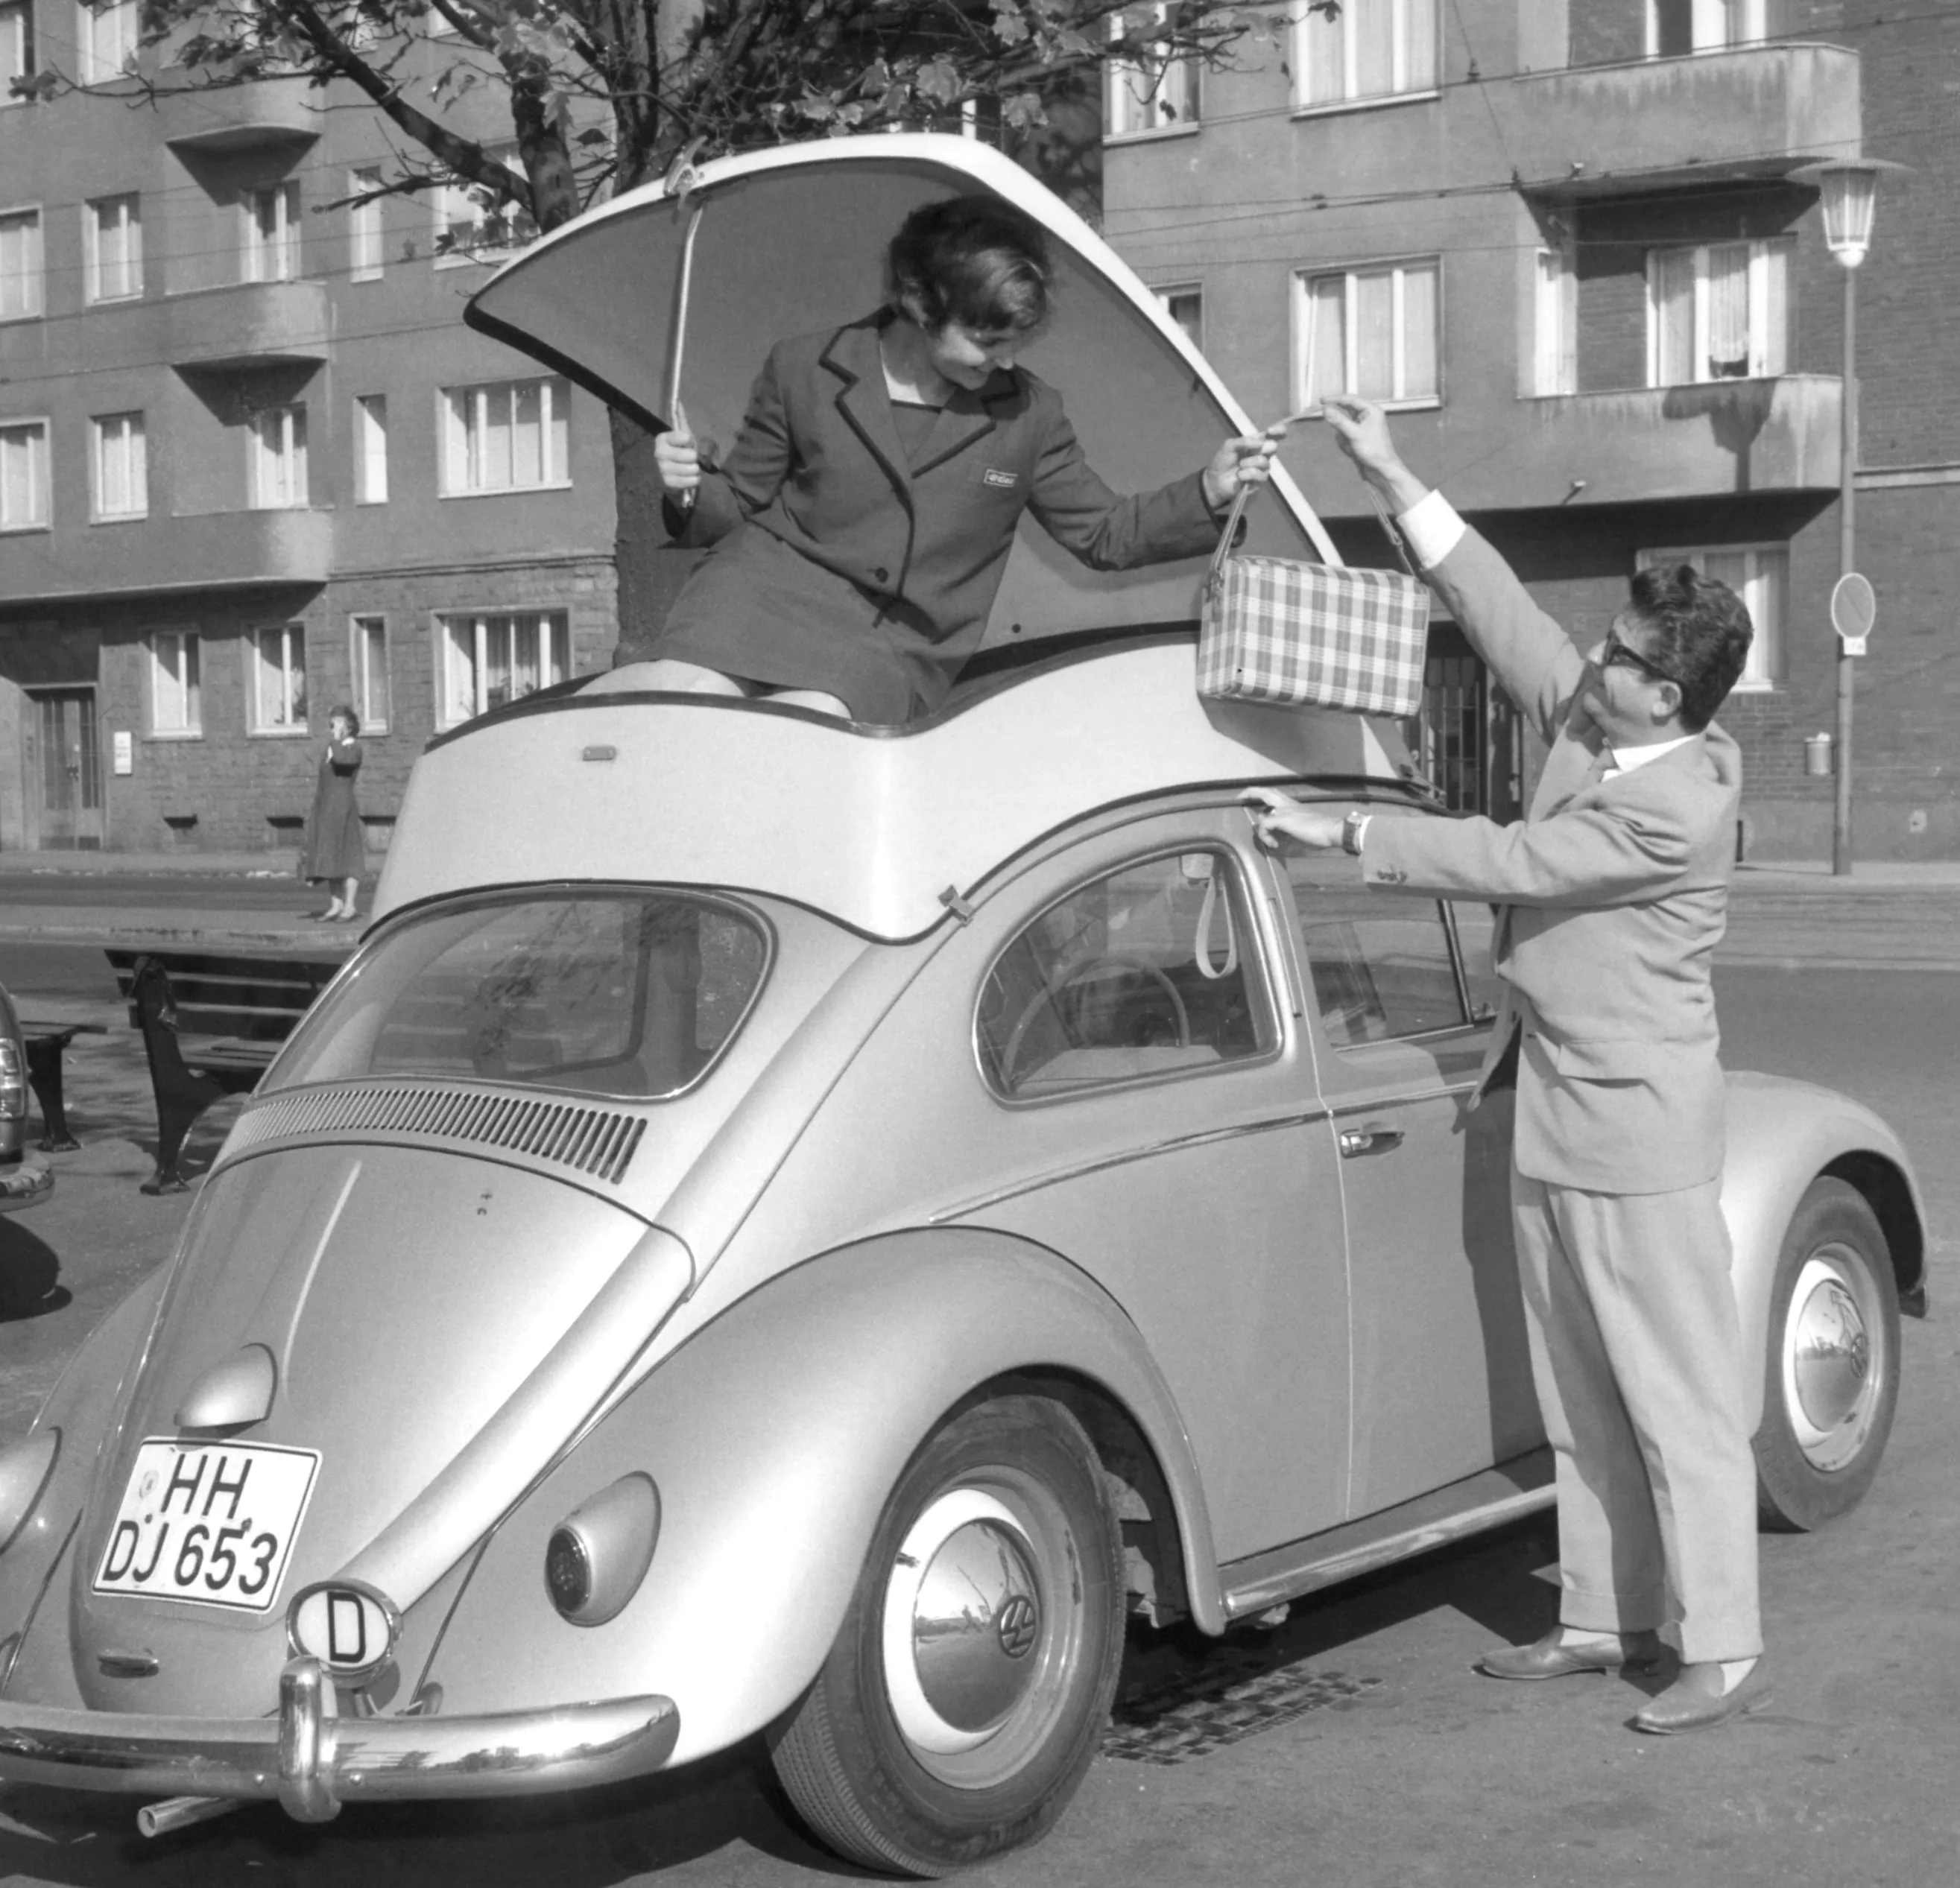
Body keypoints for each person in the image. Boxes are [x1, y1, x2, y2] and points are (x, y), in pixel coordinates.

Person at [1251, 396, 1765, 1737]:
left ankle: (1720, 1644)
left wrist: (1346, 830)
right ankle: (1602, 1615)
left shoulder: (1677, 804)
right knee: (1579, 1389)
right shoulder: (1603, 724)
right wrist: (1392, 473)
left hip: (1637, 1132)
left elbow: (1518, 861)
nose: (1591, 659)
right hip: (1552, 1104)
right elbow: (1502, 613)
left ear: (1668, 694)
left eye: (1620, 655)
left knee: (1677, 1399)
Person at [581, 194, 1283, 724]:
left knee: (801, 732)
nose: (1004, 362)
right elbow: (738, 503)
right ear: (919, 304)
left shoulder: (1031, 413)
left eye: (1016, 344)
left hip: (889, 643)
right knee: (671, 704)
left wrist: (1208, 490)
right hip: (757, 593)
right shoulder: (802, 366)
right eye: (986, 342)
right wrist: (685, 489)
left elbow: (1105, 534)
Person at [302, 706, 367, 923]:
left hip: (343, 807)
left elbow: (343, 761)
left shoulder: (353, 747)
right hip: (326, 808)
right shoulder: (333, 747)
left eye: (335, 725)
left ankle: (350, 905)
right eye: (331, 726)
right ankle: (336, 904)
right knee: (331, 855)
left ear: (347, 726)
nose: (332, 730)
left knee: (348, 856)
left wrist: (337, 740)